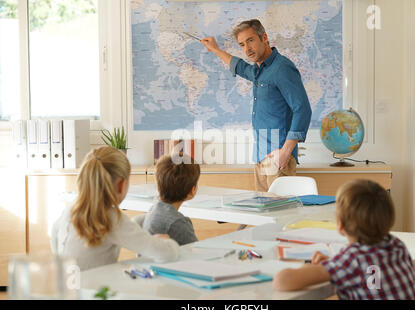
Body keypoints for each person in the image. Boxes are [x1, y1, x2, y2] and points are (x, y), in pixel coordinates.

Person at [201, 19, 312, 191]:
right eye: (242, 44)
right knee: (264, 215)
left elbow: (302, 109)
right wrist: (215, 49)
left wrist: (285, 152)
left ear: (264, 37)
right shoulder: (259, 70)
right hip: (261, 157)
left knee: (280, 215)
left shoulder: (282, 68)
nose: (247, 49)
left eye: (250, 40)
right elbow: (239, 66)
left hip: (278, 158)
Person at [273, 179, 415, 300]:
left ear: (340, 225)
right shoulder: (396, 245)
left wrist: (309, 269)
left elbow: (281, 281)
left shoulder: (351, 260)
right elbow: (371, 269)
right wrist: (333, 263)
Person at [51, 146, 179, 271]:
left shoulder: (71, 209)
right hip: (95, 290)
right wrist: (165, 243)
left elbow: (54, 233)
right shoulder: (111, 219)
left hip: (67, 286)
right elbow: (167, 254)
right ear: (121, 185)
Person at [142, 154, 200, 245]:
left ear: (158, 185)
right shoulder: (178, 223)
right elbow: (196, 252)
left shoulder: (153, 210)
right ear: (192, 191)